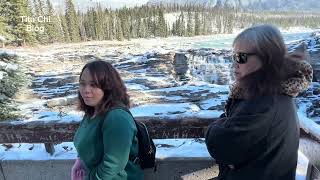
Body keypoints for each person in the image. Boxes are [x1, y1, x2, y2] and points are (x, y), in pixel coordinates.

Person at [205, 24, 313, 180]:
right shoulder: (268, 93)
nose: (234, 64)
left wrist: (214, 128)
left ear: (266, 58)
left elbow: (222, 146)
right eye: (233, 56)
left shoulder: (265, 102)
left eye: (241, 57)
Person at [71, 60, 144, 180]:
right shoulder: (92, 112)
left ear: (108, 87)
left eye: (94, 85)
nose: (86, 90)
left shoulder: (117, 118)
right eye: (82, 84)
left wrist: (89, 178)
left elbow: (112, 165)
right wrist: (80, 161)